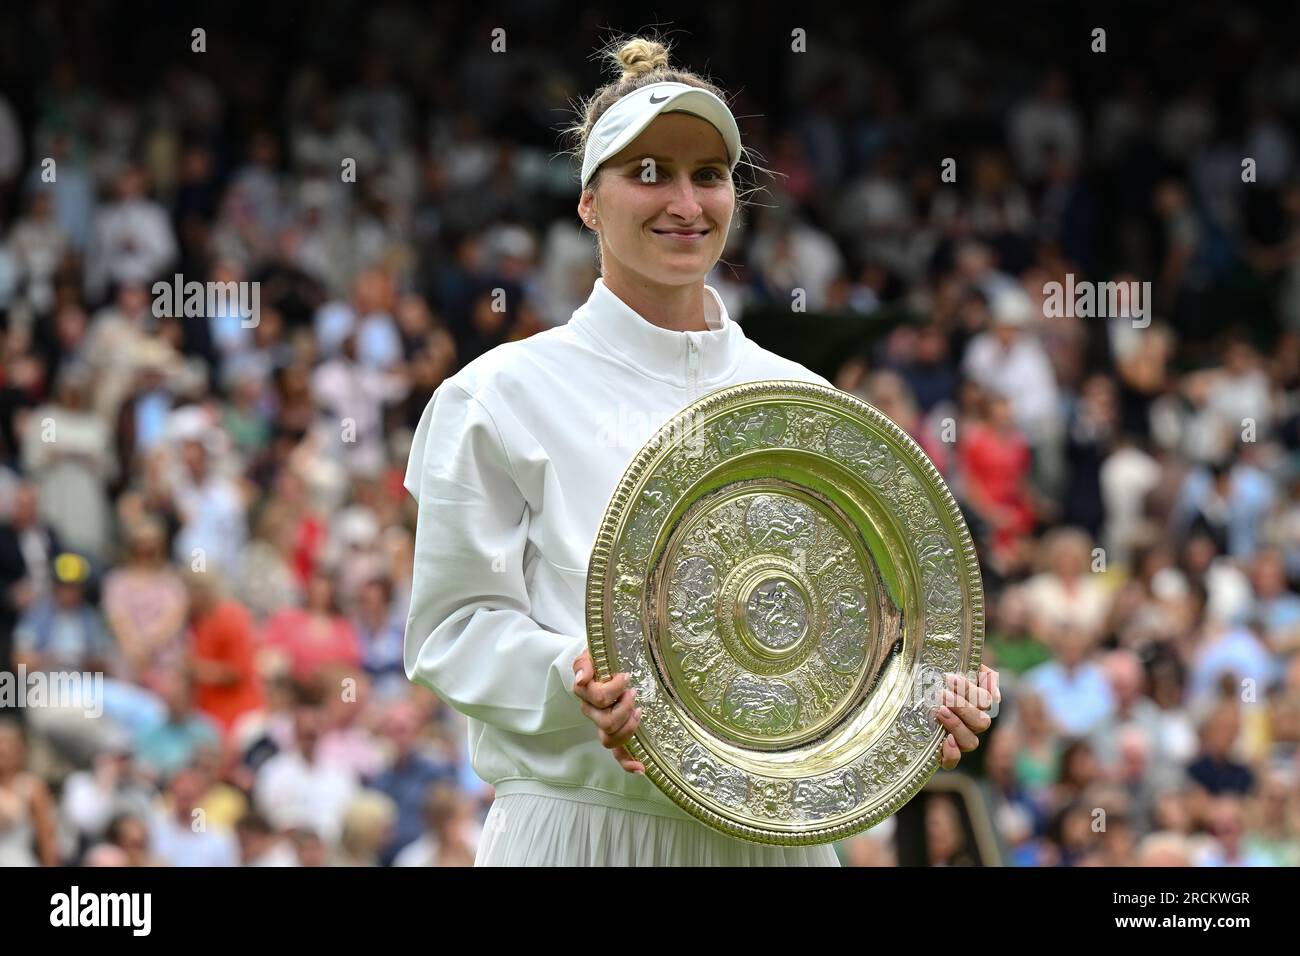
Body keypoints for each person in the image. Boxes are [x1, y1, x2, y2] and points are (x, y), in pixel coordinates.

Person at [403, 36, 997, 866]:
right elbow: (450, 630)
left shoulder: (806, 402)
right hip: (579, 832)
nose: (684, 201)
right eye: (647, 172)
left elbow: (862, 639)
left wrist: (926, 705)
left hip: (777, 847)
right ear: (587, 202)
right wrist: (571, 675)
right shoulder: (497, 394)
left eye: (708, 175)